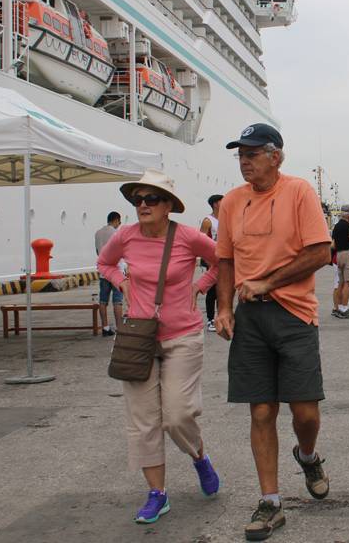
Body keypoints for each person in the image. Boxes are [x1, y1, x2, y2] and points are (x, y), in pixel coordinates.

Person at [213, 123, 332, 542]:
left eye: (252, 153)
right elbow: (225, 260)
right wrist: (224, 307)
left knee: (305, 412)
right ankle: (271, 502)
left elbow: (320, 251)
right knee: (261, 411)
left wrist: (270, 283)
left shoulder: (299, 192)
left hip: (295, 315)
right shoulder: (231, 202)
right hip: (250, 320)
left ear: (275, 156)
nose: (244, 160)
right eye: (240, 154)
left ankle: (308, 455)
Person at [96, 170, 221, 524]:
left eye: (152, 199)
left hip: (182, 335)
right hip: (138, 337)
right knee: (143, 420)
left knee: (178, 414)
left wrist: (202, 285)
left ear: (168, 206)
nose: (143, 205)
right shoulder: (125, 236)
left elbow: (224, 261)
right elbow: (104, 263)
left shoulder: (187, 237)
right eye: (138, 199)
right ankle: (157, 493)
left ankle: (199, 458)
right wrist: (121, 282)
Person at [95, 211, 124, 336]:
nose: (120, 224)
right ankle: (119, 328)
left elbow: (97, 251)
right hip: (116, 271)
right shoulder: (116, 233)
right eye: (119, 222)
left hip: (103, 272)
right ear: (116, 220)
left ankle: (105, 328)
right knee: (117, 301)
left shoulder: (98, 233)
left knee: (103, 301)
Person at [331, 204, 349, 319]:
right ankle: (344, 308)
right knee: (348, 282)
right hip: (348, 254)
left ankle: (338, 307)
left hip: (338, 255)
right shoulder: (348, 226)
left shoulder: (337, 226)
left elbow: (333, 245)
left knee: (340, 282)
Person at [200, 194, 224, 331]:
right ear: (215, 204)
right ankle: (210, 319)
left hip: (223, 260)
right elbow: (200, 242)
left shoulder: (226, 219)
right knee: (212, 292)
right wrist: (208, 261)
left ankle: (222, 316)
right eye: (223, 200)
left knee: (223, 290)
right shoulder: (208, 221)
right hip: (210, 260)